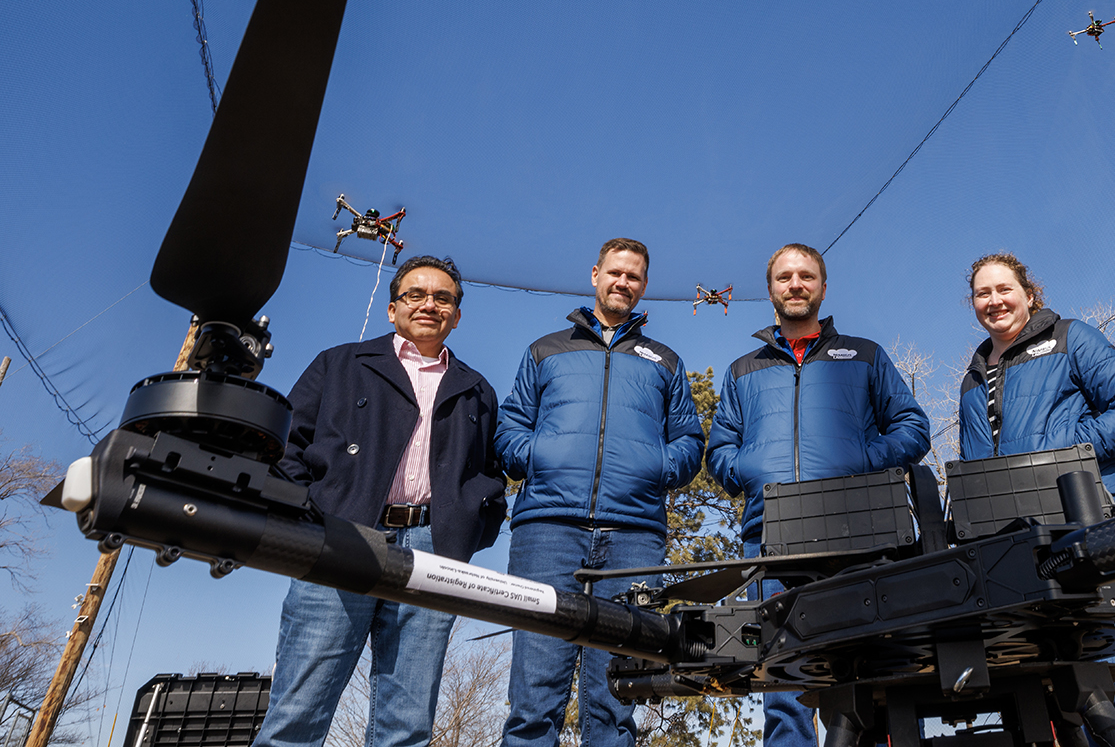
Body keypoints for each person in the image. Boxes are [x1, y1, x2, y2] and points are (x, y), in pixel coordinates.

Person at [256, 256, 507, 747]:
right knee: (298, 709)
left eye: (443, 298)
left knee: (407, 723)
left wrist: (470, 528)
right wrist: (312, 516)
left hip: (433, 551)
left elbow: (490, 472)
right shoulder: (340, 363)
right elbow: (286, 445)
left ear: (457, 315)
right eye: (416, 294)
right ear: (393, 309)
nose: (429, 305)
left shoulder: (477, 389)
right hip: (342, 538)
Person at [708, 243, 931, 747]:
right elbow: (719, 449)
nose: (795, 284)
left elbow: (913, 427)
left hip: (861, 536)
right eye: (784, 277)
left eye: (806, 276)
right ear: (770, 292)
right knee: (783, 688)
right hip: (769, 541)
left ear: (823, 287)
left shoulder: (865, 354)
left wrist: (861, 462)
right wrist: (750, 472)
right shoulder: (743, 370)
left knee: (874, 678)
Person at [959, 252, 1115, 747]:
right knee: (1064, 693)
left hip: (1096, 519)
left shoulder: (1070, 338)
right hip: (1017, 548)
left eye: (1003, 289)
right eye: (982, 292)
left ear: (1029, 294)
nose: (994, 300)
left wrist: (1067, 455)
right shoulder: (972, 378)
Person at [497, 238, 704, 747]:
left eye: (634, 276)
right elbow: (509, 428)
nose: (623, 282)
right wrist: (542, 458)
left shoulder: (666, 362)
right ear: (595, 275)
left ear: (644, 286)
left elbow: (690, 441)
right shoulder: (545, 350)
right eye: (615, 272)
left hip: (634, 538)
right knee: (534, 695)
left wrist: (653, 467)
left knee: (616, 699)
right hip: (548, 529)